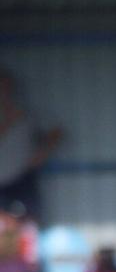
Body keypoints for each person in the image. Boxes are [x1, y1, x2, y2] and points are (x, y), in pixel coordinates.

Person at [0, 68, 62, 222]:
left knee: (29, 220)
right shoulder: (12, 116)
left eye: (5, 87)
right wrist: (8, 122)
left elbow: (57, 131)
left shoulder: (26, 114)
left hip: (22, 177)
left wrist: (40, 155)